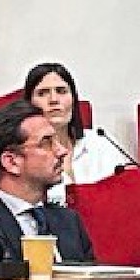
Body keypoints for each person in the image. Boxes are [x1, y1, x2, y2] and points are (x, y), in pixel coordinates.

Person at [0, 101, 92, 267]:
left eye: (57, 141)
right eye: (46, 143)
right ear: (11, 162)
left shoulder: (69, 222)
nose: (62, 151)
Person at [23, 63, 126, 203]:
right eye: (43, 93)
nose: (54, 100)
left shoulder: (101, 143)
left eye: (61, 91)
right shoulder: (26, 155)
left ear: (73, 100)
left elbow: (128, 192)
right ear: (29, 104)